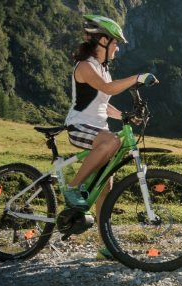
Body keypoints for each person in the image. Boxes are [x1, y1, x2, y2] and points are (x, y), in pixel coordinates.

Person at [63, 14, 157, 233]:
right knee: (112, 141)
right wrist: (138, 78)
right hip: (79, 126)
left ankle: (105, 244)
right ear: (102, 41)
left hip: (97, 128)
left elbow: (102, 104)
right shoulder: (86, 66)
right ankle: (73, 187)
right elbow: (108, 89)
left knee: (107, 183)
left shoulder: (103, 69)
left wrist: (124, 116)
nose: (118, 49)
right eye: (115, 43)